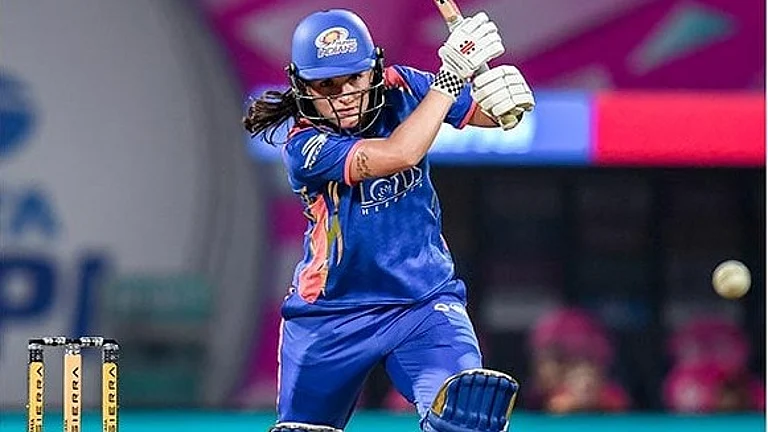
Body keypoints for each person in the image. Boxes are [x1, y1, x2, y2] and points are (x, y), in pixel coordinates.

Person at [243, 8, 534, 432]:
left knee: (464, 415)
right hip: (330, 316)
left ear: (373, 70)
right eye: (326, 84)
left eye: (353, 79)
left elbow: (485, 115)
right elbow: (399, 154)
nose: (343, 94)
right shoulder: (304, 146)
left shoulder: (403, 86)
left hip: (423, 303)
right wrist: (451, 77)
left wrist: (503, 100)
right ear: (302, 86)